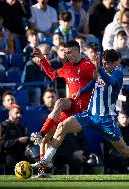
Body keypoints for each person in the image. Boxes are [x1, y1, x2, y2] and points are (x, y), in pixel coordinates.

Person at [32, 49, 129, 178]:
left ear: (116, 63)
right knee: (62, 126)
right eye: (104, 63)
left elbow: (111, 82)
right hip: (90, 115)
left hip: (106, 120)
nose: (105, 65)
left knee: (123, 149)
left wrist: (99, 68)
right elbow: (94, 82)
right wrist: (81, 92)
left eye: (108, 63)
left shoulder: (118, 73)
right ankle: (47, 160)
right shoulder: (102, 71)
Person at [31, 40, 96, 177]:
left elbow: (98, 80)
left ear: (78, 51)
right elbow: (52, 74)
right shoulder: (67, 67)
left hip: (83, 111)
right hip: (71, 106)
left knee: (60, 107)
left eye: (70, 52)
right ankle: (43, 171)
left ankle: (42, 134)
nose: (68, 55)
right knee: (44, 140)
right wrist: (42, 59)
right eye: (65, 53)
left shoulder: (88, 66)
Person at [105, 109, 129, 174]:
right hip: (116, 157)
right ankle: (126, 178)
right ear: (118, 118)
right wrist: (122, 154)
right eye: (123, 117)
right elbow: (109, 149)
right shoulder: (112, 130)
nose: (125, 120)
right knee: (122, 159)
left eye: (127, 117)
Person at [0, 104, 30, 174]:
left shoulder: (21, 127)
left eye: (20, 113)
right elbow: (2, 144)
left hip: (21, 155)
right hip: (8, 155)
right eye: (17, 113)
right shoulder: (3, 126)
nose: (19, 115)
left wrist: (30, 139)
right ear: (10, 113)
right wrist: (18, 140)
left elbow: (25, 142)